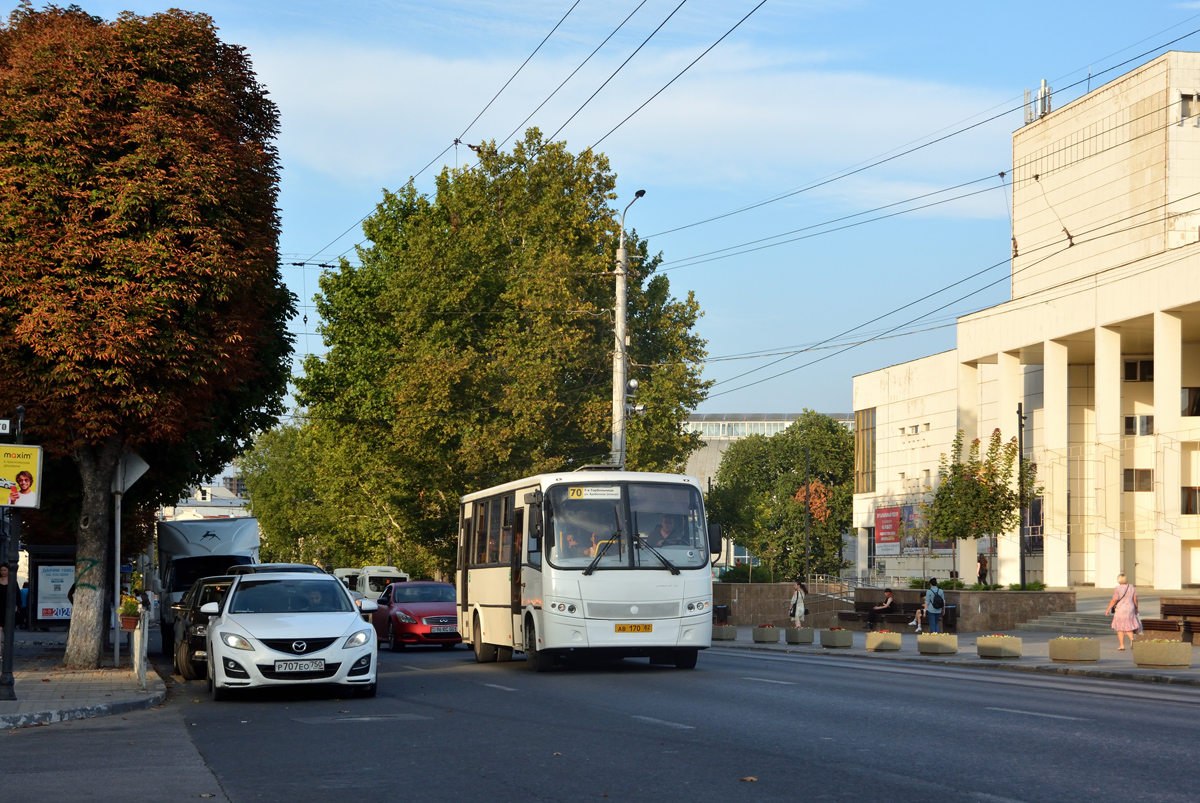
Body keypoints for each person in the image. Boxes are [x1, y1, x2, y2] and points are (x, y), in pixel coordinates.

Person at [1105, 573, 1141, 650]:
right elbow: (1135, 599)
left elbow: (1114, 599)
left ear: (1119, 580)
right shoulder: (1131, 587)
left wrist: (1108, 609)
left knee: (1120, 628)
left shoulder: (1118, 588)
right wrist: (1136, 608)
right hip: (1130, 608)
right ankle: (1132, 639)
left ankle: (1122, 645)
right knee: (1129, 627)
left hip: (1121, 609)